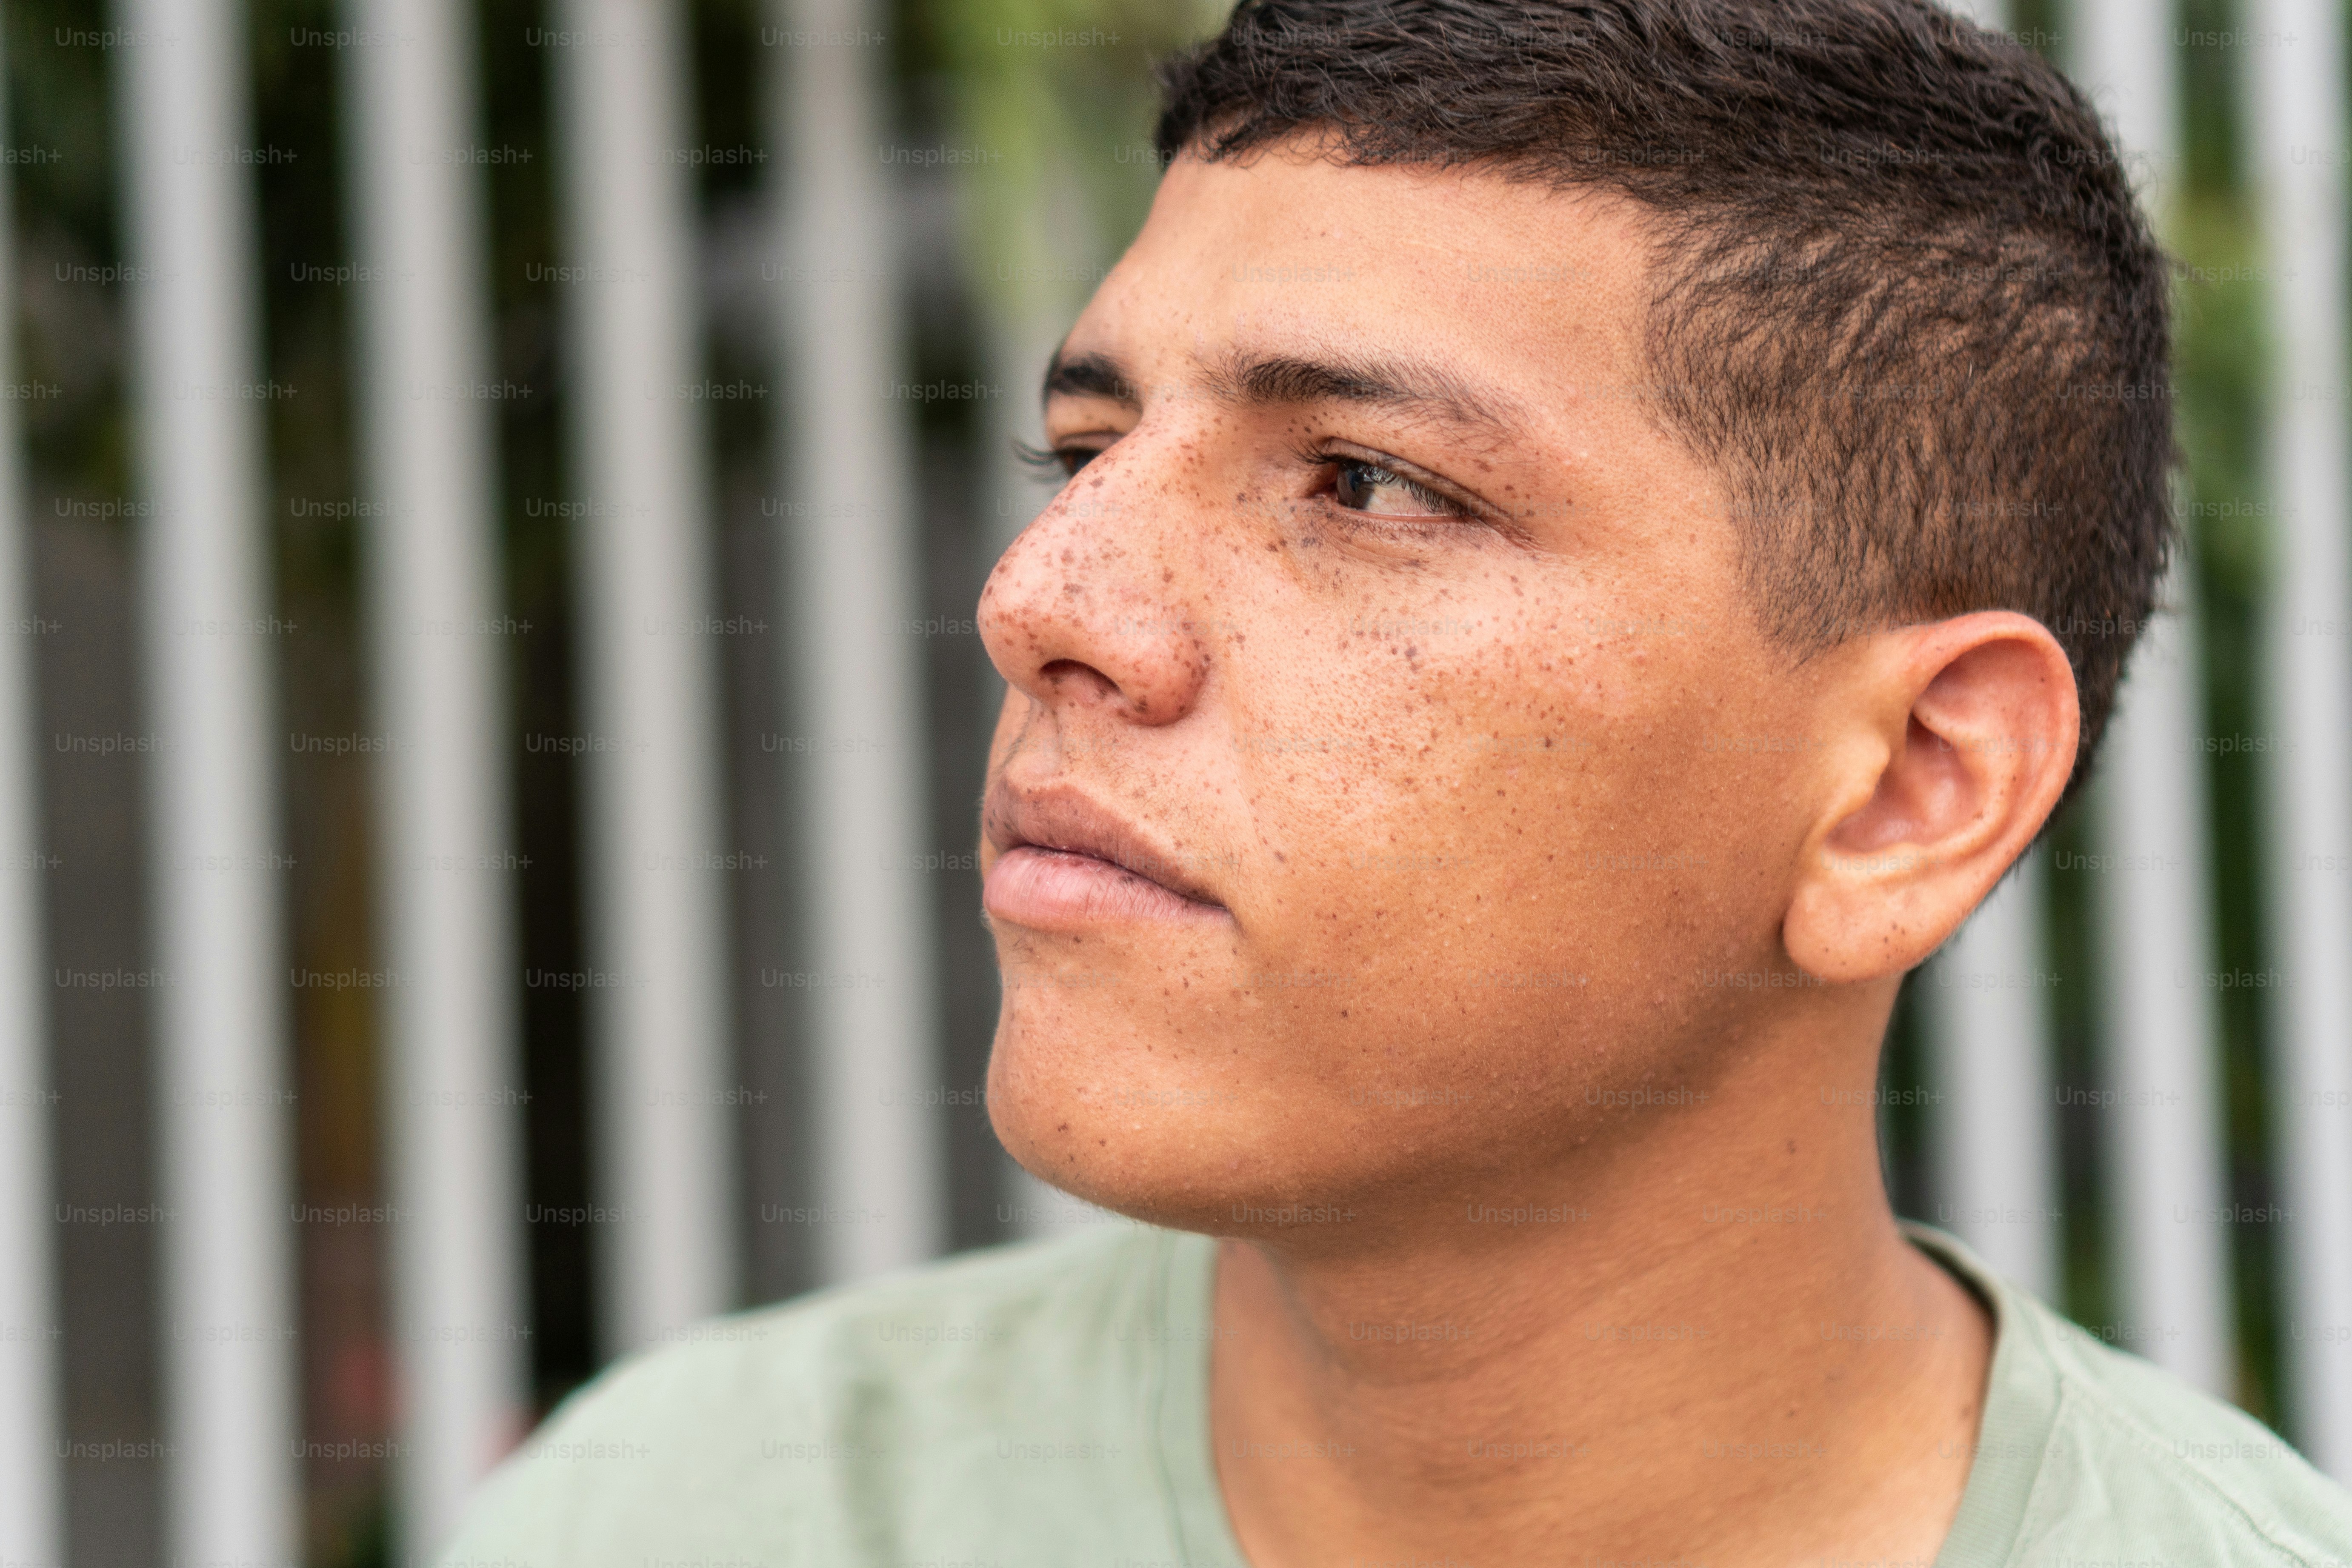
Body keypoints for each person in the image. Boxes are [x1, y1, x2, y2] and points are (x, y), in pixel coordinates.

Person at [440, 1, 2352, 1562]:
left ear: (1906, 791)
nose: (1040, 601)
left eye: (1365, 484)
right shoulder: (692, 1514)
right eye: (1087, 449)